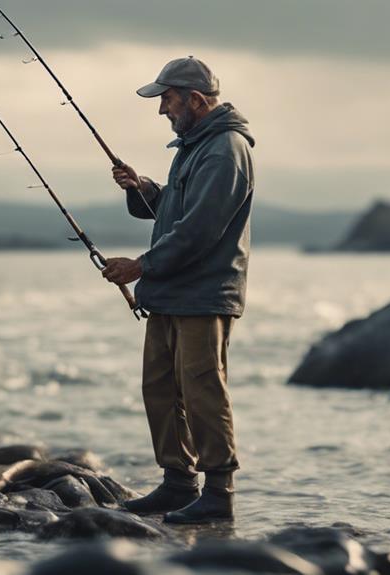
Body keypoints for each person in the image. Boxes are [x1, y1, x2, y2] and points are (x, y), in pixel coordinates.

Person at [100, 56, 255, 524]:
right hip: (170, 293)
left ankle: (219, 492)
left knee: (203, 388)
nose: (162, 109)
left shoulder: (225, 149)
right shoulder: (194, 146)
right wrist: (143, 187)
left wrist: (140, 266)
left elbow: (199, 230)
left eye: (167, 99)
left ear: (196, 99)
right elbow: (174, 208)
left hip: (204, 296)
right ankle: (178, 483)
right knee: (160, 387)